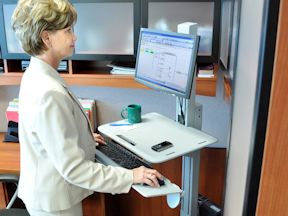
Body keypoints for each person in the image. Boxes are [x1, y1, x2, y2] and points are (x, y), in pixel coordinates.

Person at [12, 0, 163, 215]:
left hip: (47, 192)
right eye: (67, 30)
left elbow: (51, 138)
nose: (75, 37)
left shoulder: (36, 73)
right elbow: (74, 170)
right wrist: (132, 176)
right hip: (55, 204)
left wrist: (84, 139)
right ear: (46, 37)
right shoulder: (48, 92)